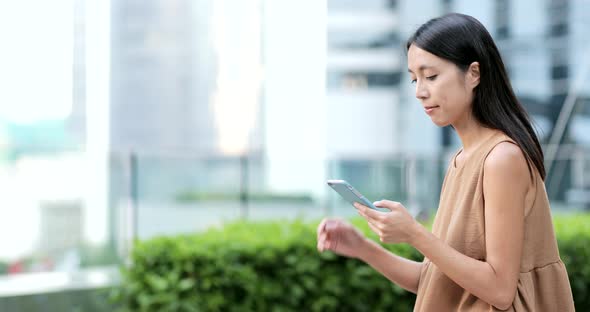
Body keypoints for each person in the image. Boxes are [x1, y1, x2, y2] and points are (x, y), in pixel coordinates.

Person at [316, 13, 575, 311]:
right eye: (414, 79)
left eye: (431, 76)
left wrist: (414, 233)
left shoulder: (502, 159)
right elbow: (438, 282)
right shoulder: (461, 161)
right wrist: (362, 247)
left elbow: (500, 290)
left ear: (474, 73)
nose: (420, 92)